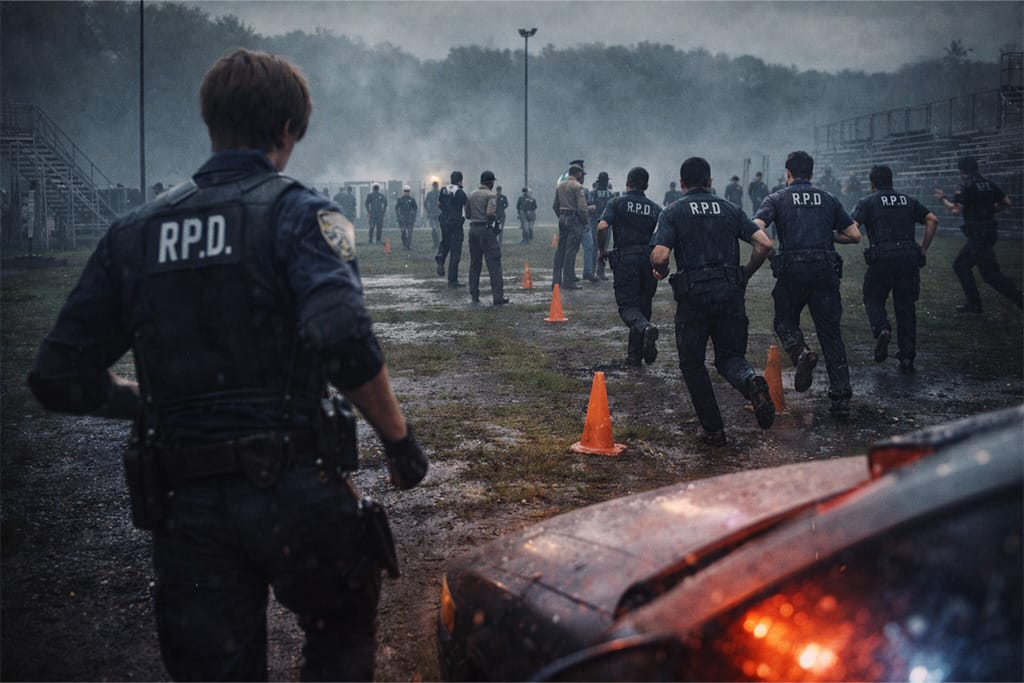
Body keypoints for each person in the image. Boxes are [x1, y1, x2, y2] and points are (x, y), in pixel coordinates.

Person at [26, 48, 428, 682]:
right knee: (340, 642)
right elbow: (343, 338)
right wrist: (399, 441)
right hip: (296, 487)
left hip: (188, 504)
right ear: (288, 130)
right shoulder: (302, 214)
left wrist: (147, 402)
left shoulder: (135, 232)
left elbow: (58, 376)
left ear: (210, 122)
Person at [650, 157, 775, 444]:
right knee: (730, 357)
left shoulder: (673, 211)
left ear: (682, 183)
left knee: (692, 363)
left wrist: (661, 271)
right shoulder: (731, 209)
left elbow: (660, 256)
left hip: (694, 296)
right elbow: (765, 244)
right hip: (730, 292)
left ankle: (713, 429)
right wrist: (744, 274)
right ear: (709, 182)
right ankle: (750, 381)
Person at [754, 150, 861, 419]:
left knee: (784, 320)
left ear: (787, 173)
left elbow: (756, 226)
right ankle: (841, 398)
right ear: (812, 173)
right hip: (825, 270)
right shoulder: (828, 198)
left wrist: (770, 253)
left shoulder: (777, 198)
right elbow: (854, 235)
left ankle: (800, 352)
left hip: (792, 270)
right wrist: (828, 236)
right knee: (831, 334)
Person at [852, 165, 938, 374]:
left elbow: (853, 227)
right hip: (908, 258)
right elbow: (932, 220)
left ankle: (882, 328)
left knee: (873, 297)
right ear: (891, 181)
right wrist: (923, 249)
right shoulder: (908, 200)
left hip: (882, 258)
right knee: (906, 307)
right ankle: (907, 357)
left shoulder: (868, 201)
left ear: (872, 184)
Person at [934, 156, 1023, 313]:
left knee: (986, 273)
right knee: (968, 267)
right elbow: (1007, 202)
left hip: (978, 234)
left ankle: (1015, 299)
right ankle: (974, 304)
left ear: (962, 171)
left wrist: (942, 199)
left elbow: (955, 210)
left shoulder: (966, 186)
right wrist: (988, 210)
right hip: (990, 231)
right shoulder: (989, 184)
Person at [596, 167, 662, 366]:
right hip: (648, 258)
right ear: (646, 185)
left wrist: (601, 250)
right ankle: (635, 356)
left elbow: (602, 226)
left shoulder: (617, 202)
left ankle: (646, 329)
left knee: (628, 307)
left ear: (627, 183)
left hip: (626, 258)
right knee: (644, 305)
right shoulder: (655, 208)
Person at [466, 170, 509, 306]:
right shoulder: (491, 195)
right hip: (485, 230)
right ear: (490, 183)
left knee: (475, 264)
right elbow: (490, 212)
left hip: (473, 229)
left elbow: (467, 214)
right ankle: (498, 296)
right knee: (494, 264)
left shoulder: (471, 194)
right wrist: (494, 219)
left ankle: (474, 295)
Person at [551, 164, 589, 290]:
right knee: (571, 251)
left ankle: (556, 281)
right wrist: (585, 222)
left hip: (562, 217)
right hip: (574, 220)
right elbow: (582, 208)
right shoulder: (577, 187)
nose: (582, 176)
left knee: (560, 250)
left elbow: (555, 205)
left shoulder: (560, 185)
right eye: (581, 174)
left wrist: (561, 216)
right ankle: (568, 281)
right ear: (577, 173)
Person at [435, 170, 468, 287]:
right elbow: (466, 208)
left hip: (444, 221)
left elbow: (439, 204)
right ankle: (452, 279)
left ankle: (441, 256)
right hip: (456, 223)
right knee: (455, 250)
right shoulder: (460, 193)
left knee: (445, 242)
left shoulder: (443, 190)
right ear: (460, 181)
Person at [584, 171, 613, 282]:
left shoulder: (600, 193)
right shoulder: (604, 194)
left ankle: (597, 271)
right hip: (600, 222)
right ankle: (596, 272)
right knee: (598, 248)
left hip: (601, 222)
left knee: (600, 248)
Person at [395, 185, 417, 250]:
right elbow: (396, 208)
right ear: (403, 191)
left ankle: (408, 246)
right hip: (402, 219)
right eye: (405, 191)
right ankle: (404, 245)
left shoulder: (412, 200)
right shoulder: (400, 199)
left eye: (407, 191)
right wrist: (398, 216)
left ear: (409, 192)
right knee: (403, 232)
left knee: (410, 233)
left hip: (410, 219)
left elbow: (415, 208)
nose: (406, 192)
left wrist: (413, 216)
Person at [424, 180, 441, 249]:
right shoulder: (440, 193)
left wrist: (428, 211)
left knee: (433, 229)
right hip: (439, 213)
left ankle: (435, 243)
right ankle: (438, 243)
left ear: (432, 186)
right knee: (438, 228)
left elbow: (425, 203)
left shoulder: (430, 194)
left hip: (432, 213)